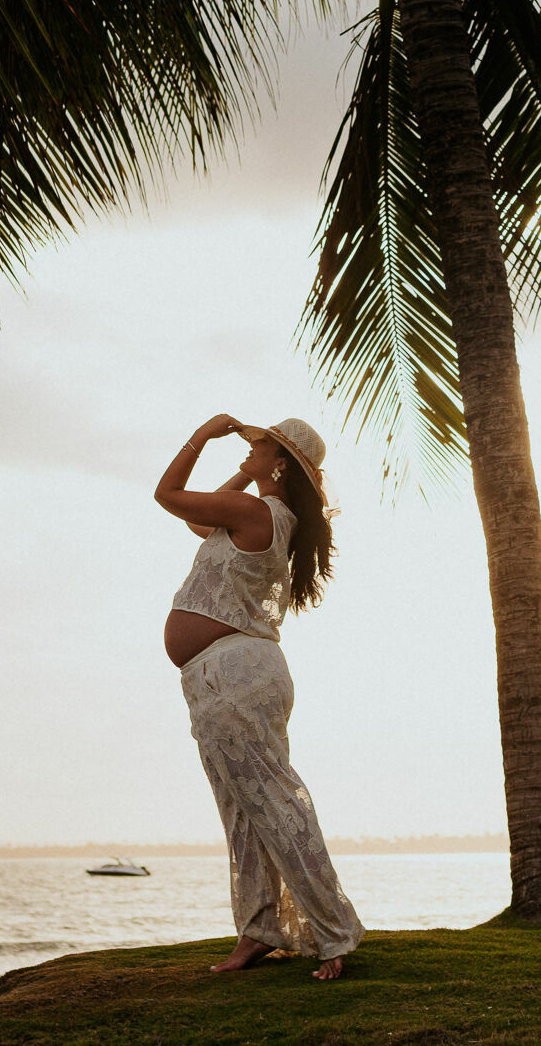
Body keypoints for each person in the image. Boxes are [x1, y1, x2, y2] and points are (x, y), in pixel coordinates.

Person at [155, 412, 364, 981]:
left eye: (260, 445)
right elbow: (198, 521)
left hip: (236, 677)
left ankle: (333, 933)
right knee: (243, 808)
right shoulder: (255, 513)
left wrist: (201, 435)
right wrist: (254, 461)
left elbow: (168, 495)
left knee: (275, 803)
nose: (245, 451)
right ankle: (259, 929)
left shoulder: (257, 512)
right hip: (217, 677)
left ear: (280, 462)